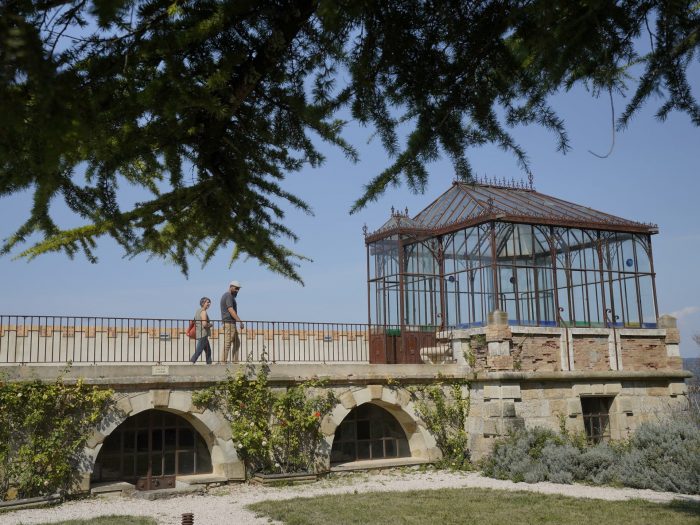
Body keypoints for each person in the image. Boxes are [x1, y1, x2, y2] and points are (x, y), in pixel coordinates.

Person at [220, 280, 244, 363]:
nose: (237, 290)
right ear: (231, 287)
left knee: (237, 342)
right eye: (236, 288)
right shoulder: (228, 296)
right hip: (229, 323)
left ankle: (235, 361)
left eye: (238, 289)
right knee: (228, 342)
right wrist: (239, 321)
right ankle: (223, 362)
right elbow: (230, 309)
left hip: (231, 323)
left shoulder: (228, 296)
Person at [190, 297, 213, 364]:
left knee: (208, 351)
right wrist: (210, 324)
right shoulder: (203, 312)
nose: (209, 304)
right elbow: (204, 324)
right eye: (207, 302)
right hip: (203, 333)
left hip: (200, 333)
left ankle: (209, 364)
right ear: (203, 303)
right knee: (199, 350)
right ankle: (192, 362)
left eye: (209, 302)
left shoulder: (198, 311)